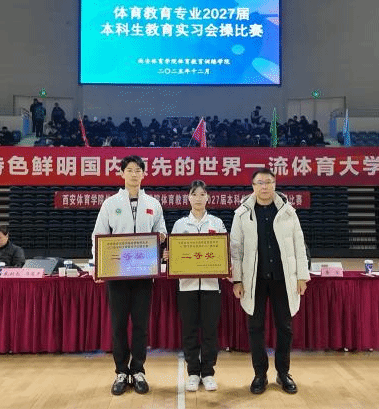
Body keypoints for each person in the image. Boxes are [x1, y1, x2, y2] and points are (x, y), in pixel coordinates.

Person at [91, 155, 167, 396]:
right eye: (130, 170)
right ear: (122, 174)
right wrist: (98, 266)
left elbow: (162, 231)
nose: (134, 174)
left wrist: (160, 238)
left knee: (141, 325)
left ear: (144, 174)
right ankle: (121, 372)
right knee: (119, 324)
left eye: (138, 170)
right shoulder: (110, 204)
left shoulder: (153, 203)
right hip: (117, 274)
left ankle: (139, 370)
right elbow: (98, 236)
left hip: (144, 273)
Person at [231, 168, 309, 395]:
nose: (264, 186)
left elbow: (299, 244)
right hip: (253, 280)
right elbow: (236, 249)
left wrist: (302, 276)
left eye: (268, 182)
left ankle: (283, 373)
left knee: (285, 327)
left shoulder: (288, 211)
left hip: (283, 278)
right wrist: (237, 280)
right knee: (255, 328)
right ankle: (260, 374)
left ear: (275, 184)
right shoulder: (242, 213)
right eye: (260, 182)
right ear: (253, 186)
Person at [170, 180, 227, 392]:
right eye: (195, 194)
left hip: (211, 286)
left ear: (208, 197)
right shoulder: (180, 225)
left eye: (202, 194)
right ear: (188, 198)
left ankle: (208, 372)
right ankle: (193, 372)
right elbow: (174, 254)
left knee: (210, 331)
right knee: (190, 331)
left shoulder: (217, 223)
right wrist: (169, 255)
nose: (198, 198)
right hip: (187, 286)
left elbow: (225, 251)